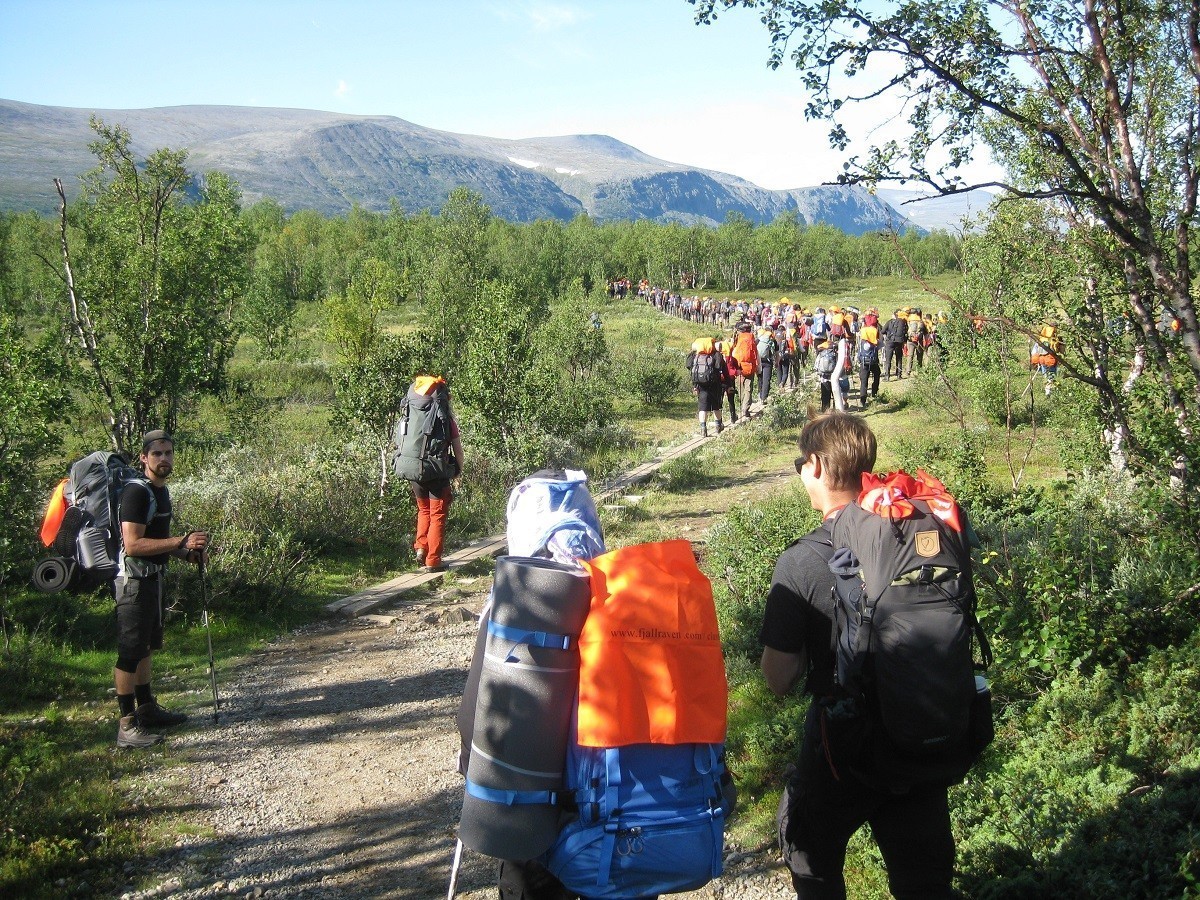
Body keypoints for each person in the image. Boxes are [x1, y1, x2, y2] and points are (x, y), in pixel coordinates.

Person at [759, 413, 959, 899]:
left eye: (800, 464)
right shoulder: (907, 538)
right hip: (915, 731)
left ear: (815, 466)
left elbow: (777, 678)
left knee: (813, 864)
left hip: (839, 747)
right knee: (925, 882)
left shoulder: (802, 560)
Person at [114, 429, 209, 749]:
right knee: (129, 653)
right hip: (133, 583)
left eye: (168, 453)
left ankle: (147, 708)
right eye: (157, 454)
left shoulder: (161, 492)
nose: (164, 458)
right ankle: (126, 726)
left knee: (146, 648)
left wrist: (186, 553)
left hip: (152, 579)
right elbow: (134, 544)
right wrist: (181, 541)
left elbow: (159, 544)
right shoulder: (136, 493)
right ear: (144, 458)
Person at [403, 377, 465, 573]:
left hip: (413, 469)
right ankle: (433, 560)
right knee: (438, 513)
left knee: (424, 510)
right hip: (436, 470)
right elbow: (458, 450)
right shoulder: (446, 420)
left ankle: (421, 548)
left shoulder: (411, 414)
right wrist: (458, 470)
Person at [687, 337, 730, 437]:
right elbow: (723, 369)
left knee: (703, 407)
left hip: (701, 385)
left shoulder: (695, 355)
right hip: (715, 384)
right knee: (716, 406)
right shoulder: (716, 355)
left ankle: (703, 428)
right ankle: (718, 426)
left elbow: (688, 365)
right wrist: (728, 384)